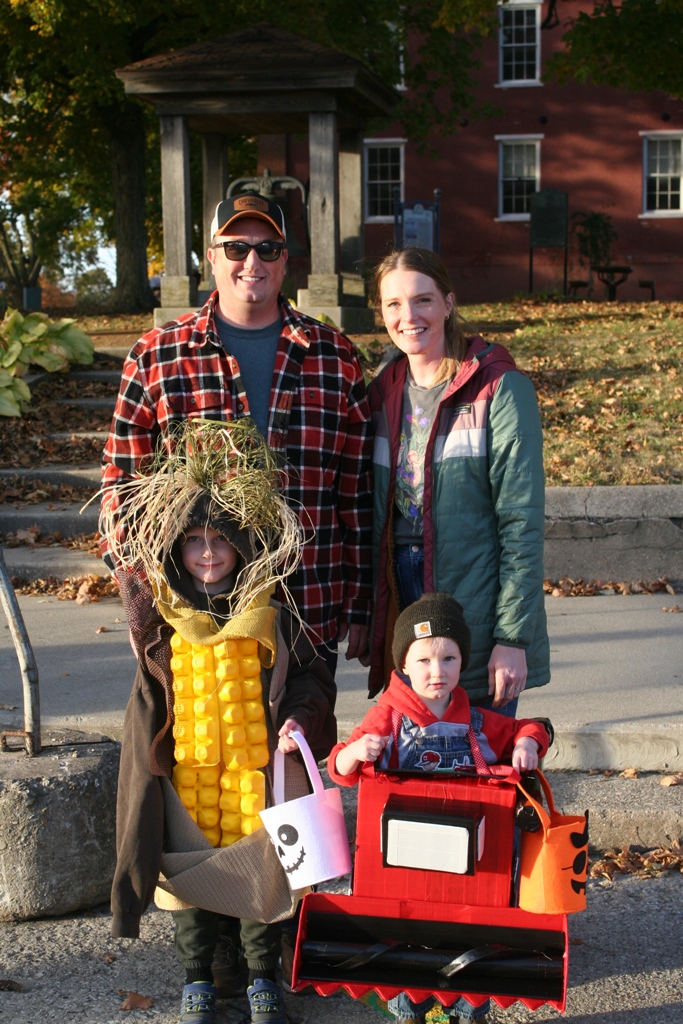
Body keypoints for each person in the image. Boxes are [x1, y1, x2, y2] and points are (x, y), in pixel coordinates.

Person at [106, 421, 338, 1024]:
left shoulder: (272, 615)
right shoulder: (161, 625)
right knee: (189, 888)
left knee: (264, 882)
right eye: (194, 541)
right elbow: (148, 706)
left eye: (220, 540)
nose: (207, 553)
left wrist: (298, 719)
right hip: (187, 786)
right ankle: (198, 979)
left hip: (255, 783)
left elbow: (310, 679)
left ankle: (262, 978)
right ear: (175, 550)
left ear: (242, 547)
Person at [101, 193, 373, 675]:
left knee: (304, 727)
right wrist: (142, 597)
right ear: (211, 256)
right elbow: (122, 484)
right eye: (236, 248)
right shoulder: (158, 356)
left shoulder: (334, 355)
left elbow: (356, 493)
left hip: (307, 602)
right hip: (196, 615)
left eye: (268, 248)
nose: (252, 261)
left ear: (285, 260)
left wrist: (360, 600)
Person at [327, 592, 549, 1024]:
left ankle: (470, 1004)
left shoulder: (477, 722)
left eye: (449, 658)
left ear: (463, 662)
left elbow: (531, 727)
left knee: (473, 928)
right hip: (404, 858)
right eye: (424, 660)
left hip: (470, 862)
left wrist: (526, 743)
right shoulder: (386, 718)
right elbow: (340, 768)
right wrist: (354, 753)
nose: (437, 671)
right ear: (403, 664)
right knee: (405, 932)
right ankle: (409, 1006)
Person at [366, 246, 549, 713]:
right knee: (418, 749)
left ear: (448, 303)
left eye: (423, 300)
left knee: (479, 747)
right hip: (404, 591)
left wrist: (512, 638)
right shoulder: (383, 391)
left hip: (474, 600)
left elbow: (521, 524)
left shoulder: (499, 389)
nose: (409, 316)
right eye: (393, 304)